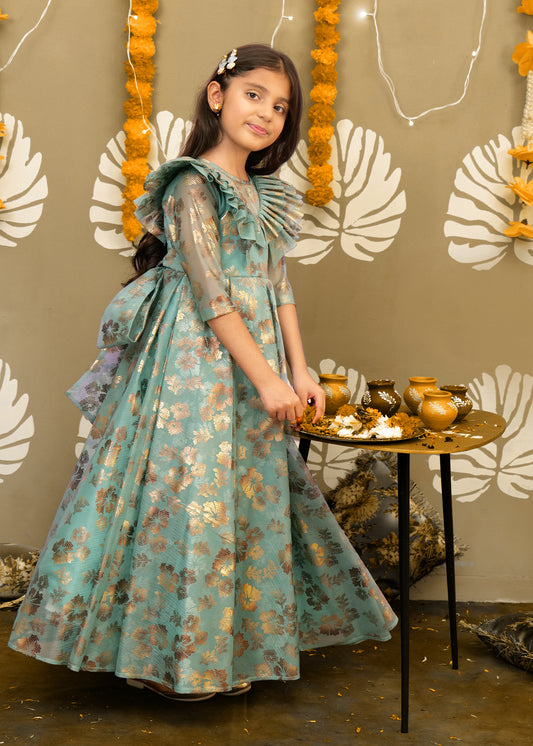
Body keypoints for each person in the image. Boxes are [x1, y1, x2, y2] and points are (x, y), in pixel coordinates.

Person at [9, 44, 397, 701]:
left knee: (243, 502)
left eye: (280, 107)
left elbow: (278, 286)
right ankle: (169, 656)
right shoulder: (191, 184)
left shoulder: (262, 192)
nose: (266, 114)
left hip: (255, 366)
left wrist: (298, 370)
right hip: (192, 368)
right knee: (188, 501)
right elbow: (211, 295)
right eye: (253, 95)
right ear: (217, 96)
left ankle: (227, 651)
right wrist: (265, 379)